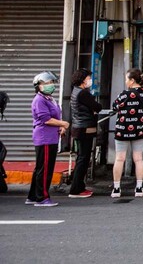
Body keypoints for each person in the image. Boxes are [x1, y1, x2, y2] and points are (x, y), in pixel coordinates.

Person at [27, 71, 68, 207]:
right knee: (44, 169)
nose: (50, 85)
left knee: (41, 167)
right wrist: (63, 123)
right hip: (44, 138)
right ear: (38, 86)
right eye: (46, 83)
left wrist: (60, 126)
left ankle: (33, 196)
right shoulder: (39, 100)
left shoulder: (49, 99)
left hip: (51, 137)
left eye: (51, 83)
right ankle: (42, 198)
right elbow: (45, 119)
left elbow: (55, 116)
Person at [112, 68, 143, 198]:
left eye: (126, 79)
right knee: (138, 158)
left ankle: (117, 188)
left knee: (119, 158)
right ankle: (139, 188)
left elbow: (115, 107)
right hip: (140, 129)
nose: (125, 81)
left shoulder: (124, 94)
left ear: (132, 80)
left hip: (123, 130)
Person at [68, 68, 102, 198]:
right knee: (83, 158)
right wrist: (94, 109)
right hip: (85, 128)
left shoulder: (75, 92)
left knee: (81, 157)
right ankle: (76, 189)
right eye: (88, 78)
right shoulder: (83, 93)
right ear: (83, 79)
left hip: (78, 128)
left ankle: (78, 187)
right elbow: (97, 106)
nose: (90, 80)